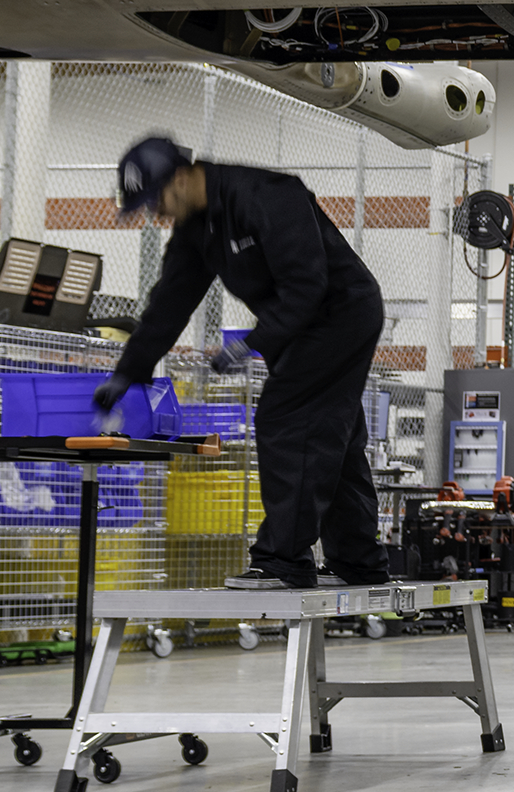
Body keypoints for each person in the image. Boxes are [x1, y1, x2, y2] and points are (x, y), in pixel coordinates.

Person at [99, 136, 390, 590]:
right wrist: (128, 371)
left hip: (340, 314)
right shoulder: (197, 229)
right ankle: (358, 561)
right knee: (336, 433)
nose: (157, 214)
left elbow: (307, 284)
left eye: (157, 199)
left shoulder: (265, 195)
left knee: (286, 417)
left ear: (182, 177)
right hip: (304, 324)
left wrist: (252, 342)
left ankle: (283, 560)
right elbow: (169, 303)